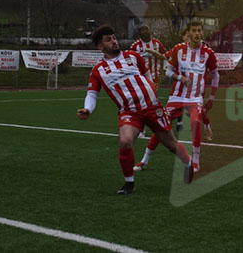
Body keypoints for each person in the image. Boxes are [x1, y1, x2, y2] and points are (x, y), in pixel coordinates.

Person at [76, 25, 193, 195]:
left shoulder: (133, 56)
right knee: (125, 141)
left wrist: (152, 95)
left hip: (152, 107)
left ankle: (188, 163)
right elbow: (92, 94)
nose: (114, 41)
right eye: (108, 40)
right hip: (129, 112)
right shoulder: (98, 70)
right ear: (100, 46)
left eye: (114, 37)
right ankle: (129, 183)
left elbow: (147, 77)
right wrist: (88, 109)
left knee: (171, 145)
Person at [135, 20, 218, 173]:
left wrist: (211, 98)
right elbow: (168, 71)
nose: (197, 33)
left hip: (195, 98)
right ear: (188, 33)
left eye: (199, 30)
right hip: (176, 97)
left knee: (195, 122)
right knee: (161, 126)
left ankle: (195, 162)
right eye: (193, 30)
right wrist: (180, 78)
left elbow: (215, 75)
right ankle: (144, 161)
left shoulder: (208, 53)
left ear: (202, 32)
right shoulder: (178, 49)